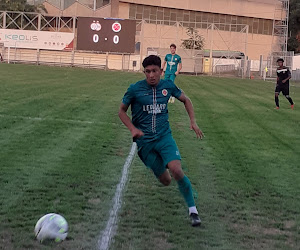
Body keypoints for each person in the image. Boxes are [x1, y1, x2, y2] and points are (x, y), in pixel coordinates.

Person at [119, 55, 204, 226]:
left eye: (154, 71)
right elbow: (121, 111)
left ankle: (193, 211)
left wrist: (193, 121)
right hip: (145, 144)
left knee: (177, 170)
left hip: (164, 137)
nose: (151, 75)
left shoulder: (168, 86)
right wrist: (133, 129)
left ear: (160, 71)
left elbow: (186, 100)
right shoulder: (135, 89)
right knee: (166, 181)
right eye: (147, 72)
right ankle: (163, 164)